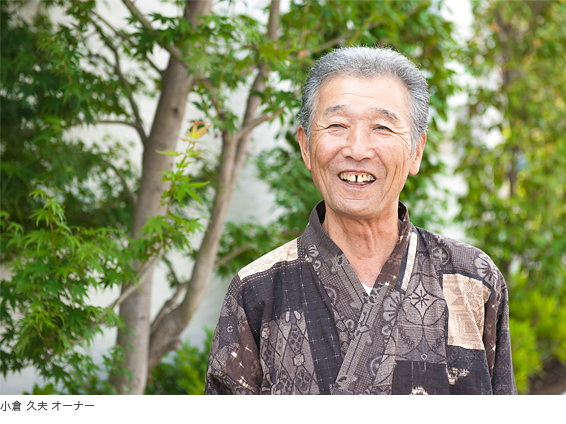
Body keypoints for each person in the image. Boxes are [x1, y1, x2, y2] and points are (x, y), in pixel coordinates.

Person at [204, 46, 517, 395]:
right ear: (306, 146)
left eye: (382, 127)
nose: (357, 149)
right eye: (337, 125)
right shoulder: (257, 290)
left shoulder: (471, 278)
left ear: (416, 151)